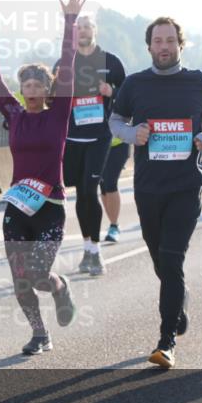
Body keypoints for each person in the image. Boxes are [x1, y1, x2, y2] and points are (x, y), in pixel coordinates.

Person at [110, 17, 202, 369]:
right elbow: (114, 121)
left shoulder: (197, 80)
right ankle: (179, 300)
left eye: (170, 40)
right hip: (148, 187)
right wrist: (132, 135)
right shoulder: (134, 83)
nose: (164, 46)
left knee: (172, 260)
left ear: (180, 45)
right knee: (161, 261)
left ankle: (166, 341)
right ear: (149, 47)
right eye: (158, 41)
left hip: (186, 185)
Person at [0, 0, 82, 354]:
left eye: (39, 85)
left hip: (50, 205)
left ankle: (59, 287)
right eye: (27, 85)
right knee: (20, 280)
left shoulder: (59, 113)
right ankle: (40, 334)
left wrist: (70, 21)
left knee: (38, 277)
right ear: (21, 89)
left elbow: (68, 64)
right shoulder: (15, 115)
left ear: (49, 89)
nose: (32, 89)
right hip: (18, 207)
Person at [54, 15, 126, 275]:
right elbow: (53, 98)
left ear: (95, 30)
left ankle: (96, 253)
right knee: (81, 193)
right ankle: (87, 247)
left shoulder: (111, 61)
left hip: (100, 136)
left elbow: (128, 96)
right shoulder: (64, 63)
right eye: (78, 28)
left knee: (90, 187)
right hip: (72, 138)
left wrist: (112, 92)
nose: (82, 31)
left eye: (86, 26)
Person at [100, 136, 130, 243]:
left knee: (110, 183)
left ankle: (114, 226)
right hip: (98, 145)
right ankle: (113, 224)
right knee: (103, 187)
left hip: (118, 144)